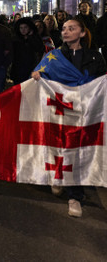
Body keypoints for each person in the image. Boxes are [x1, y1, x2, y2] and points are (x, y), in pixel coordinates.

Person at [31, 18, 106, 217]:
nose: (65, 32)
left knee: (79, 149)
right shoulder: (53, 56)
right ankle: (59, 179)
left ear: (82, 33)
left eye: (71, 28)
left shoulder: (95, 57)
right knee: (59, 145)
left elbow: (101, 84)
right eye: (63, 28)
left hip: (86, 112)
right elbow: (40, 74)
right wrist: (38, 76)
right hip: (60, 111)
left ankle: (75, 195)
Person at [10, 17, 44, 85]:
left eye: (25, 27)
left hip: (31, 68)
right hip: (18, 69)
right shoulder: (15, 39)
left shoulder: (35, 37)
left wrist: (30, 37)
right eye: (21, 28)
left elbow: (39, 48)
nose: (23, 30)